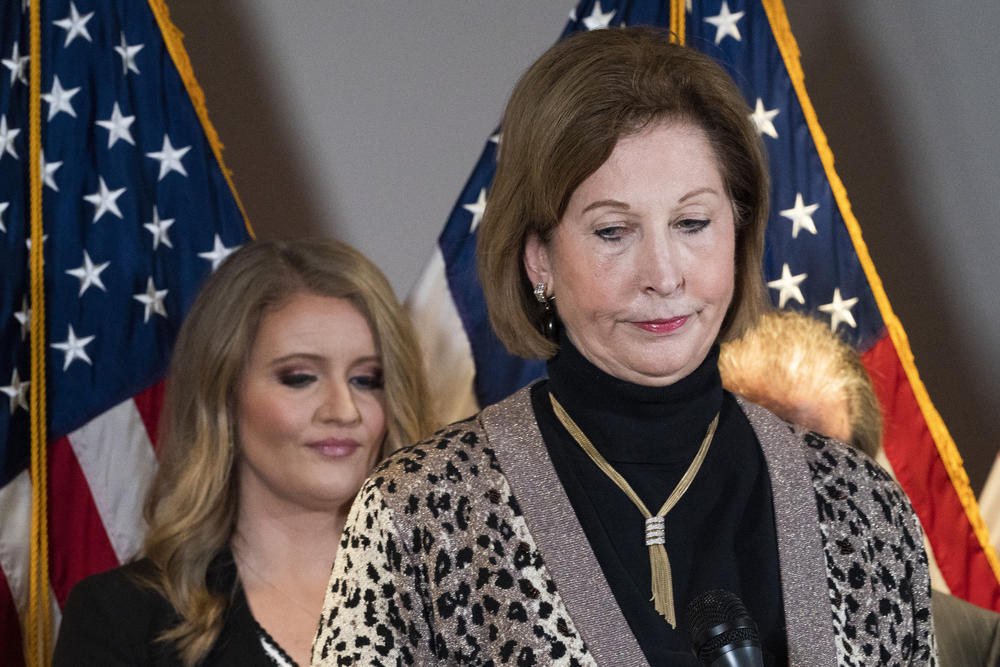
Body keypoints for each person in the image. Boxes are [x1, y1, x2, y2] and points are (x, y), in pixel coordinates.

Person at [312, 27, 935, 666]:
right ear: (538, 260)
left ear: (738, 234)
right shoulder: (422, 515)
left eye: (692, 223)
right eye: (614, 231)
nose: (663, 275)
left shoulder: (863, 510)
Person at [53, 239, 435, 666]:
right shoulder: (123, 617)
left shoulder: (459, 594)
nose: (343, 410)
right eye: (299, 377)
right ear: (224, 396)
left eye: (367, 380)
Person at [720, 309, 999, 667]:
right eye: (758, 454)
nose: (784, 492)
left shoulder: (976, 647)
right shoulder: (641, 620)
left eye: (821, 466)